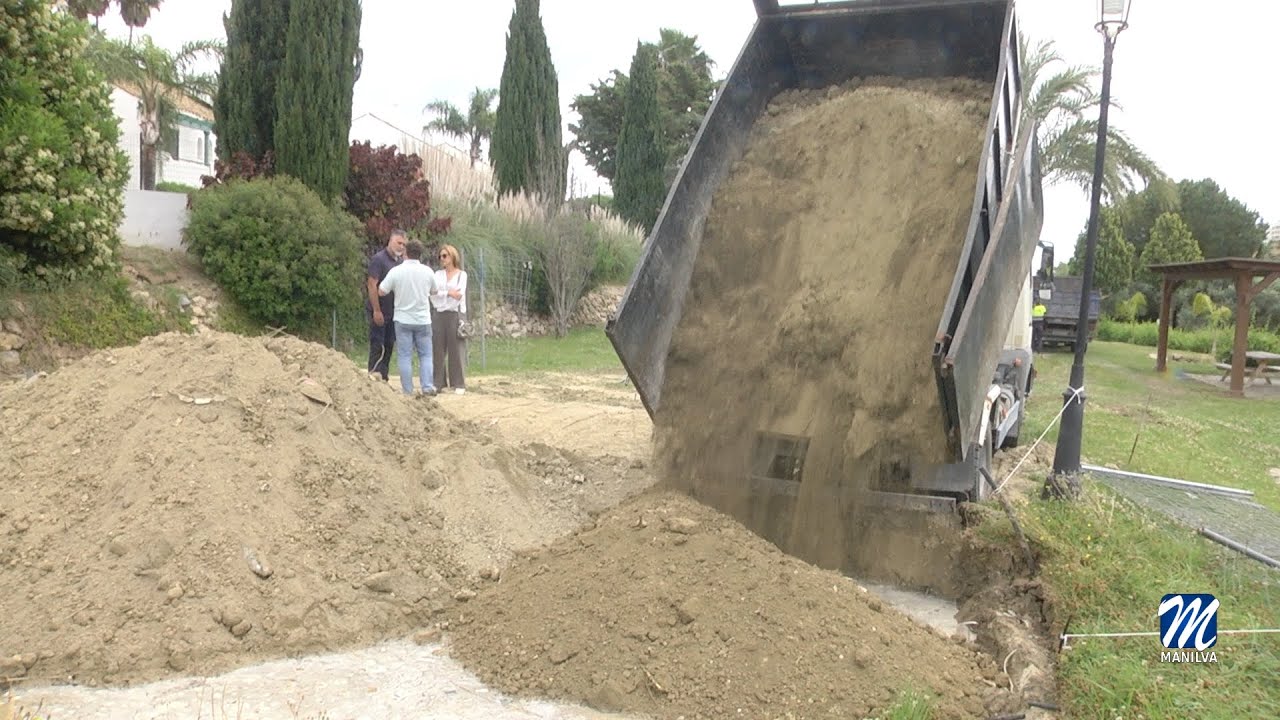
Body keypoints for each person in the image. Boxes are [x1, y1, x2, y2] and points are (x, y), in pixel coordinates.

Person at [378, 238, 441, 396]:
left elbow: (382, 290)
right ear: (420, 254)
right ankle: (427, 386)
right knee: (426, 354)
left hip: (403, 319)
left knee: (404, 356)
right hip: (422, 319)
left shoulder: (397, 271)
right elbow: (435, 291)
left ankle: (408, 390)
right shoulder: (427, 271)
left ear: (406, 252)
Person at [365, 230, 406, 381]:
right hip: (379, 310)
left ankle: (384, 376)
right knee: (377, 343)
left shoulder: (400, 263)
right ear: (390, 241)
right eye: (398, 242)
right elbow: (371, 284)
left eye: (403, 244)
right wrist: (376, 310)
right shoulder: (379, 259)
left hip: (394, 312)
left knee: (389, 344)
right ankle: (373, 374)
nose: (401, 246)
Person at [430, 243, 468, 394]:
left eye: (445, 256)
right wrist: (447, 293)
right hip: (439, 313)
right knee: (437, 348)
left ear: (453, 256)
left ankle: (458, 383)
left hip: (454, 313)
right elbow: (432, 293)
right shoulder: (437, 275)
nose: (442, 259)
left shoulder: (461, 275)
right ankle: (438, 382)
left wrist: (443, 293)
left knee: (455, 348)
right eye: (440, 256)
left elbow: (459, 295)